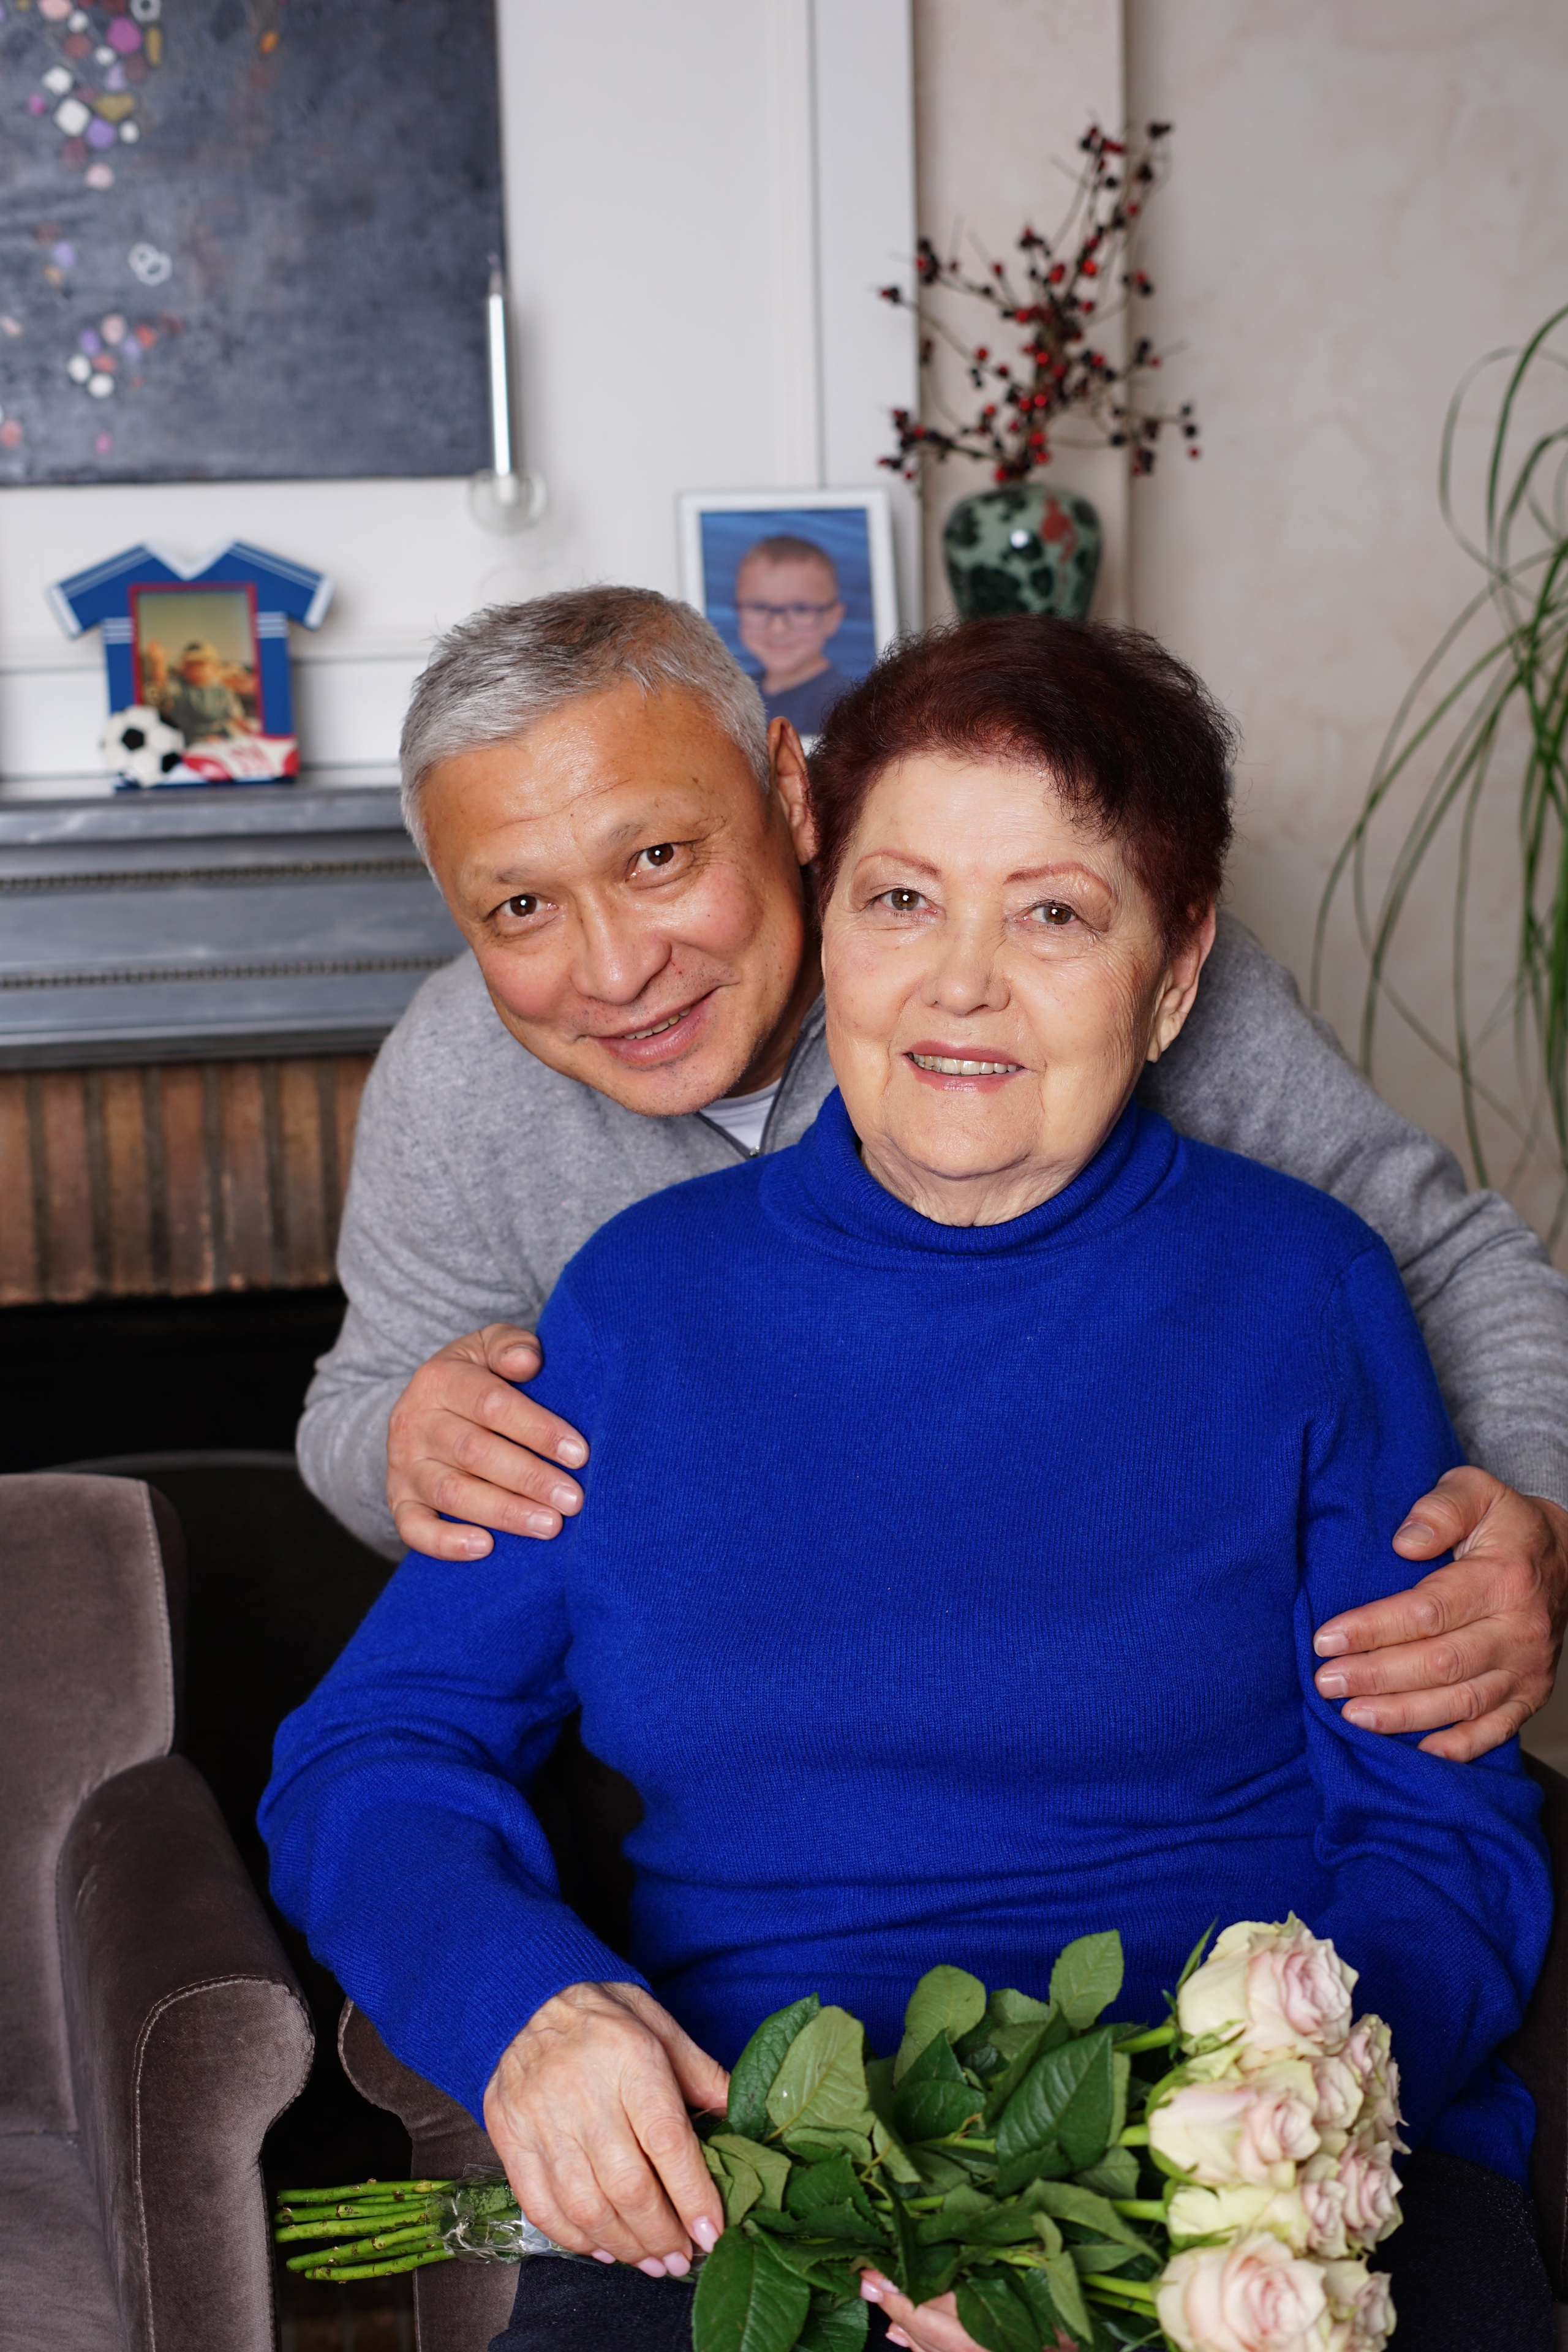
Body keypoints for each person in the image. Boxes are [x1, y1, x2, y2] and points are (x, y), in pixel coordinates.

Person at [263, 617, 1555, 2352]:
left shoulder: (1308, 1296)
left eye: (1054, 914)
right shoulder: (638, 1301)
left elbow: (1441, 1847)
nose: (962, 981)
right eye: (902, 903)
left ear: (1173, 980)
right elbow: (370, 1750)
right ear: (832, 906)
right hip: (764, 2174)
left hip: (1228, 2177)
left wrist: (1150, 2186)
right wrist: (528, 2008)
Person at [297, 588, 1568, 1763]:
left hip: (1111, 1727)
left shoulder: (1088, 978)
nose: (617, 968)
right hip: (709, 1753)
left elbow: (1437, 1260)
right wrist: (411, 1438)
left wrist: (1535, 1511)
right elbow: (352, 1415)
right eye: (519, 908)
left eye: (658, 860)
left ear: (787, 794)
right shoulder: (458, 1073)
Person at [734, 532, 851, 730]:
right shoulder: (736, 694)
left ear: (834, 618)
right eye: (759, 608)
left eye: (800, 609)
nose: (778, 628)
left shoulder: (842, 707)